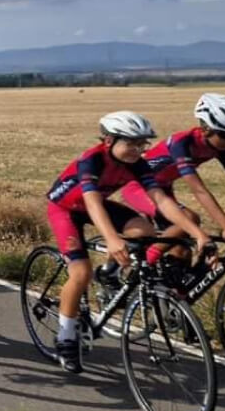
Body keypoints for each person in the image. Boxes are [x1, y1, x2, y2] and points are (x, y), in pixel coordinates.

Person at [45, 111, 212, 374]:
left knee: (144, 231)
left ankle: (110, 274)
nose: (138, 149)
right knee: (80, 272)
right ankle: (66, 338)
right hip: (66, 209)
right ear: (109, 141)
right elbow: (91, 201)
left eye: (142, 143)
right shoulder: (92, 160)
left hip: (97, 205)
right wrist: (112, 239)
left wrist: (196, 231)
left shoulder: (137, 163)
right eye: (131, 143)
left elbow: (161, 200)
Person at [120, 93, 225, 252]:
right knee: (189, 218)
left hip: (163, 189)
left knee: (182, 252)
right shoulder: (181, 143)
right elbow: (199, 190)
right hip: (138, 188)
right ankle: (146, 262)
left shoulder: (220, 148)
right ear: (206, 129)